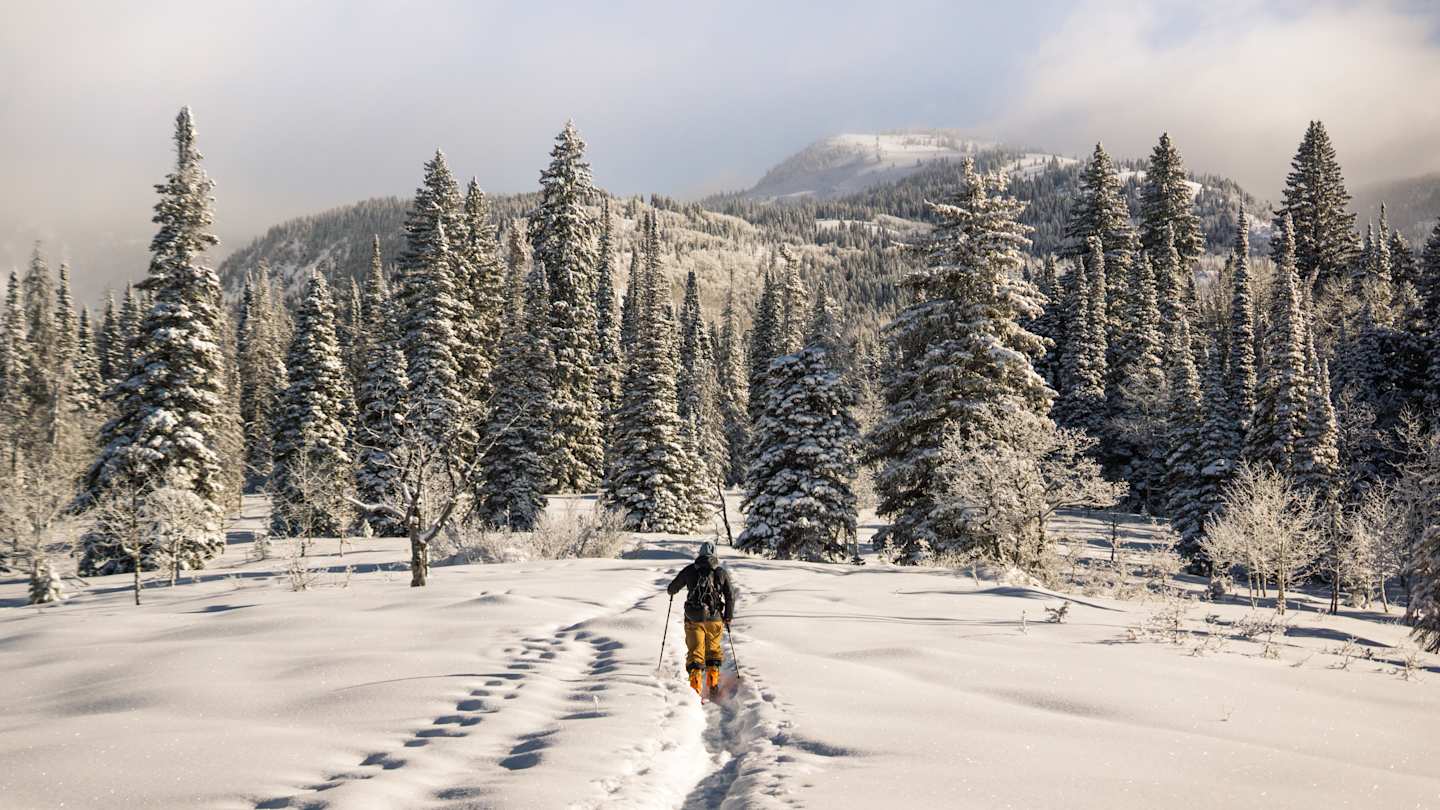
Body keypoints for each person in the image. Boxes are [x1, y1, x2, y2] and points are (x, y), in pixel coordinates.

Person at [666, 541, 735, 696]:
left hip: (693, 618)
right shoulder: (720, 572)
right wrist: (728, 616)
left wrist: (672, 592)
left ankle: (695, 689)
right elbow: (730, 596)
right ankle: (713, 683)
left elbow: (672, 588)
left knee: (695, 653)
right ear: (715, 555)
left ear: (700, 554)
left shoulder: (690, 570)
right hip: (715, 618)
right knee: (713, 651)